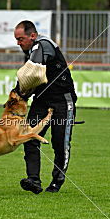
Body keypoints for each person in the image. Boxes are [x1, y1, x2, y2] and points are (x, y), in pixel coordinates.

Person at [13, 20, 77, 194]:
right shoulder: (30, 51)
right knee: (30, 138)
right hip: (41, 100)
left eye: (20, 39)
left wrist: (19, 88)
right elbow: (30, 80)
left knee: (60, 143)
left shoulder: (44, 45)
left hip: (63, 101)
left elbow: (33, 70)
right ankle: (33, 180)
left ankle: (57, 182)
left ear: (32, 36)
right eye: (16, 40)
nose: (18, 43)